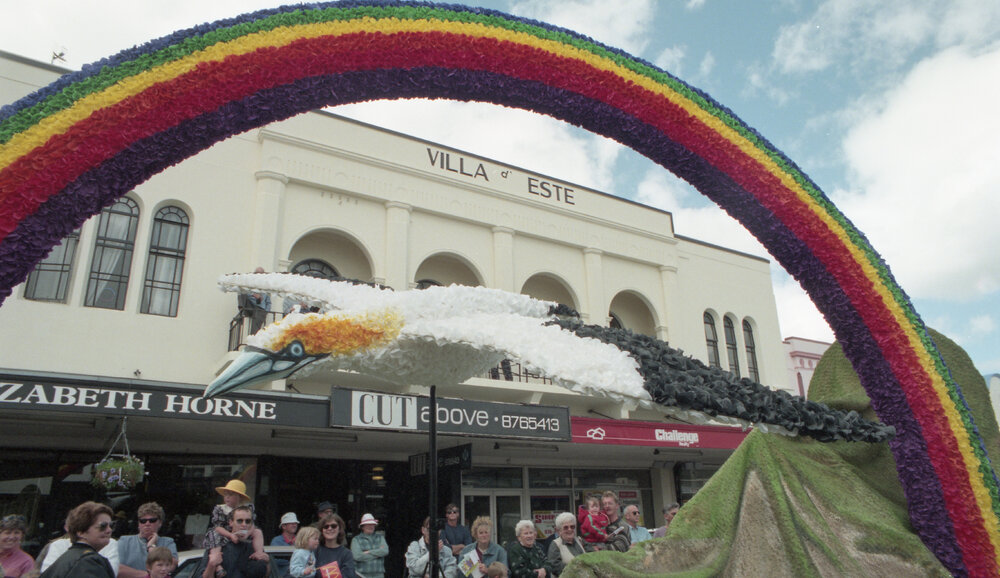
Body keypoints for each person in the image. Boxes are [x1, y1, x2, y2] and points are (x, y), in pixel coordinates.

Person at [204, 480, 265, 578]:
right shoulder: (220, 509)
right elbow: (217, 527)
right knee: (213, 534)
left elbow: (252, 524)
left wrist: (247, 533)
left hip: (244, 535)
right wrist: (230, 535)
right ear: (231, 522)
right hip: (224, 533)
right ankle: (218, 565)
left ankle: (259, 553)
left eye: (230, 495)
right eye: (225, 494)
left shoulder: (247, 508)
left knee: (258, 532)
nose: (226, 497)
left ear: (239, 497)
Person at [40, 501, 115, 578]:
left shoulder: (67, 559)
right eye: (103, 526)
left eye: (111, 525)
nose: (109, 530)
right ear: (81, 532)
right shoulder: (88, 562)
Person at [193, 506, 268, 578]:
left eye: (247, 521)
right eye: (240, 521)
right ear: (231, 522)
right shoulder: (218, 544)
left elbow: (265, 575)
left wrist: (267, 562)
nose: (244, 525)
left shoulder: (254, 545)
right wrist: (211, 564)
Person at [117, 502, 177, 578]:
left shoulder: (168, 542)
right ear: (138, 524)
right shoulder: (124, 541)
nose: (147, 524)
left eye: (152, 520)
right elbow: (117, 569)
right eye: (143, 521)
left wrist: (151, 547)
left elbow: (172, 566)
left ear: (160, 523)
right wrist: (148, 575)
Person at [545, 512, 592, 577]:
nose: (569, 529)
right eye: (566, 527)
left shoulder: (581, 541)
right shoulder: (555, 544)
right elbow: (555, 567)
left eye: (572, 527)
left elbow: (592, 556)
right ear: (559, 531)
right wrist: (577, 569)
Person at [314, 513, 356, 578]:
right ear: (322, 530)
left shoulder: (346, 554)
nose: (330, 528)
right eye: (326, 526)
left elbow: (349, 575)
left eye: (333, 526)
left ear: (339, 529)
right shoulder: (315, 551)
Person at [350, 513, 388, 578]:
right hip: (361, 575)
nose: (371, 526)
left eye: (372, 524)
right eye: (368, 524)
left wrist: (368, 552)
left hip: (379, 575)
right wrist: (378, 553)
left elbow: (385, 551)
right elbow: (357, 556)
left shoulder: (380, 537)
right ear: (362, 527)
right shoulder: (356, 539)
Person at [241, 267, 271, 334]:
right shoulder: (250, 284)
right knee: (241, 292)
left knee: (259, 314)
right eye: (257, 273)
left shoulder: (266, 287)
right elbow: (245, 293)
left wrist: (266, 311)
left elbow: (268, 302)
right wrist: (254, 295)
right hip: (250, 306)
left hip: (260, 309)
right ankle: (253, 336)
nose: (259, 275)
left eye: (261, 273)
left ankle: (254, 337)